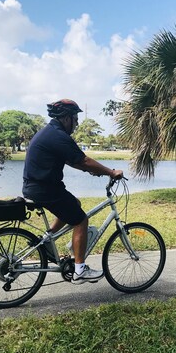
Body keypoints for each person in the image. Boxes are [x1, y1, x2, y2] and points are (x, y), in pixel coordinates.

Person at [22, 99, 123, 284]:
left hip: (38, 187)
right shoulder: (58, 135)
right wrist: (110, 172)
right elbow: (83, 161)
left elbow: (74, 161)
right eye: (75, 119)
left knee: (74, 204)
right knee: (81, 220)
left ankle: (46, 242)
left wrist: (93, 170)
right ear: (66, 118)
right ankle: (80, 270)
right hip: (45, 189)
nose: (76, 123)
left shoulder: (50, 132)